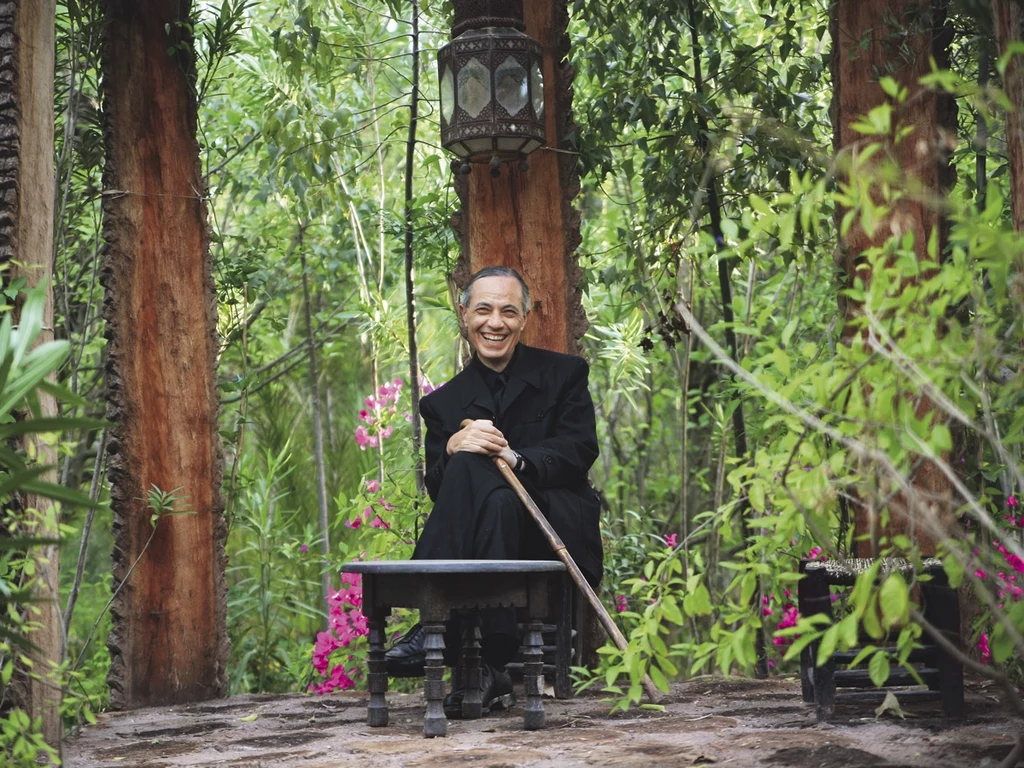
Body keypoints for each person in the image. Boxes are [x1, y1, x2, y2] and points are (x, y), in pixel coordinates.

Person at [385, 265, 603, 718]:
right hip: (488, 527)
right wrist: (450, 444)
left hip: (552, 526)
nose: (495, 322)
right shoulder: (443, 404)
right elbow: (443, 493)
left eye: (508, 311)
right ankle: (491, 666)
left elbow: (580, 450)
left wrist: (515, 459)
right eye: (483, 310)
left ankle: (429, 621)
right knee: (491, 494)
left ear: (524, 318)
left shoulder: (564, 374)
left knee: (483, 473)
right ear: (464, 315)